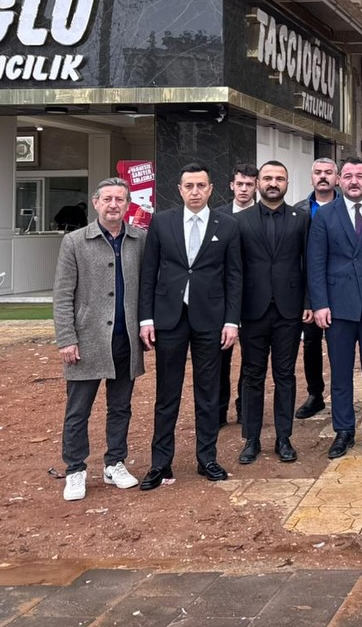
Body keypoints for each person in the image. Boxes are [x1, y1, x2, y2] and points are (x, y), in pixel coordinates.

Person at [137, 163, 243, 490]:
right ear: (179, 189)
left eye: (200, 185)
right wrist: (146, 318)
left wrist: (232, 321)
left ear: (211, 189)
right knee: (166, 393)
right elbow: (149, 272)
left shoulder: (228, 225)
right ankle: (160, 463)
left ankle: (206, 458)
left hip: (211, 319)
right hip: (169, 318)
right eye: (189, 186)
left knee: (208, 392)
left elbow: (234, 276)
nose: (195, 191)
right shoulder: (162, 222)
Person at [53, 177, 147, 500]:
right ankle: (75, 469)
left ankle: (114, 462)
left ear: (128, 204)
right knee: (78, 410)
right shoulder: (75, 242)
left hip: (125, 340)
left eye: (119, 199)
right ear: (96, 203)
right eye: (107, 199)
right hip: (86, 341)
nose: (113, 205)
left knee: (120, 407)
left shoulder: (140, 239)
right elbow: (62, 294)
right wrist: (67, 338)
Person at [306, 156, 362, 459]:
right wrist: (320, 304)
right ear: (339, 180)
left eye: (359, 176)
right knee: (341, 374)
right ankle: (343, 431)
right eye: (348, 176)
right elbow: (315, 263)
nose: (354, 181)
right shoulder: (325, 215)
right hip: (337, 307)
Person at [235, 161, 311, 465]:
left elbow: (309, 262)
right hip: (252, 309)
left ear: (287, 183)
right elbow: (235, 268)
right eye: (267, 178)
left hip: (289, 309)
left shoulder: (301, 219)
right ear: (257, 183)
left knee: (285, 375)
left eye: (280, 178)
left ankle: (284, 437)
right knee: (252, 375)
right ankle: (251, 439)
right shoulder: (240, 221)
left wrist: (308, 302)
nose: (273, 183)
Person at [294, 157, 339, 420]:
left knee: (340, 345)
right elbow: (298, 258)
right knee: (311, 344)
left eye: (328, 172)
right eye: (318, 172)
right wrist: (307, 299)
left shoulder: (346, 207)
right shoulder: (299, 211)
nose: (323, 176)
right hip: (310, 291)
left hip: (341, 288)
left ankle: (342, 395)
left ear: (337, 177)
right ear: (311, 177)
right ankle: (315, 395)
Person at [221, 163, 258, 427]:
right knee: (220, 357)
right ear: (232, 185)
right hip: (222, 299)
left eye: (249, 184)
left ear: (256, 187)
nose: (244, 189)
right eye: (240, 184)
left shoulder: (264, 214)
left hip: (255, 298)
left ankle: (245, 407)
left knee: (251, 359)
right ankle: (218, 410)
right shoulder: (217, 216)